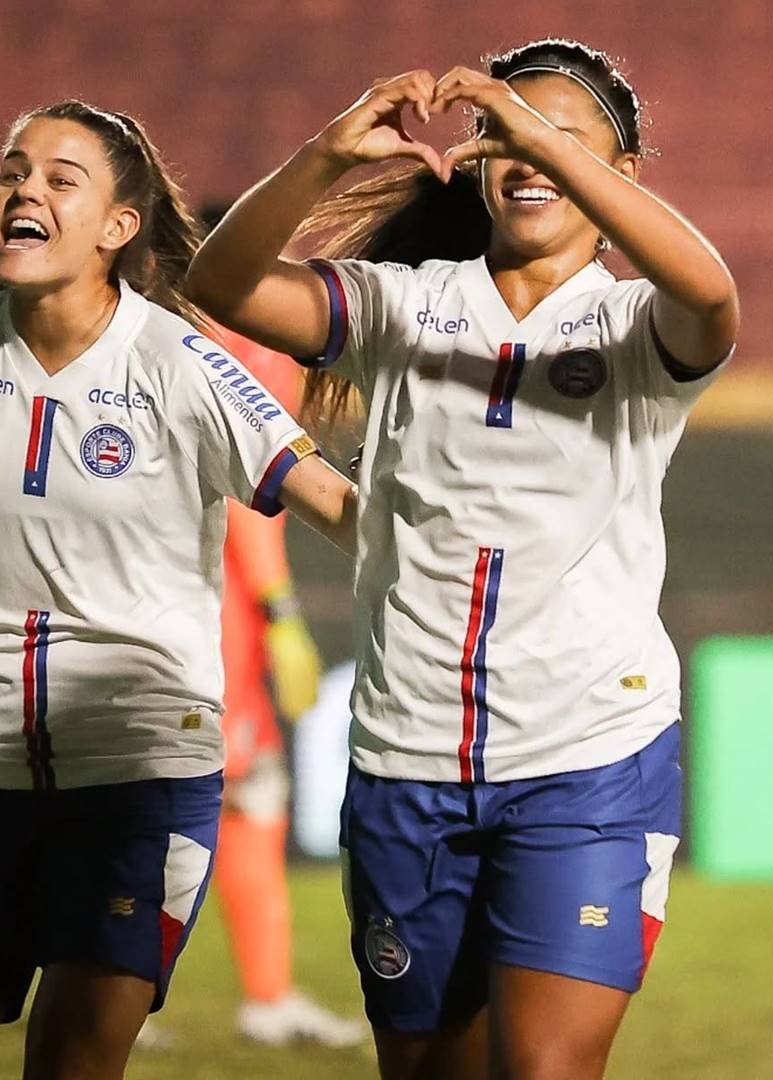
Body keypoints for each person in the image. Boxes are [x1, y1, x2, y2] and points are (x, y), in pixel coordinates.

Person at [187, 37, 736, 1080]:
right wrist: (321, 158)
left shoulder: (634, 329)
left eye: (565, 141)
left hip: (589, 758)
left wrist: (543, 137)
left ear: (618, 179)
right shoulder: (403, 304)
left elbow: (712, 299)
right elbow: (222, 282)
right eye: (505, 136)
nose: (528, 156)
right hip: (407, 758)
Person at [0, 100, 359, 1080]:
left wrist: (453, 536)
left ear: (119, 228)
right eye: (11, 171)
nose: (23, 189)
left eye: (60, 178)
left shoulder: (186, 365)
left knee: (73, 1064)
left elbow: (331, 498)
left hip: (138, 773)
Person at [205, 323, 366, 1049]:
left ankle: (266, 994)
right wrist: (281, 613)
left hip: (192, 611)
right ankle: (95, 988)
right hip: (214, 624)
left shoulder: (158, 341)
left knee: (241, 799)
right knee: (233, 796)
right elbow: (249, 498)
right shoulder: (252, 354)